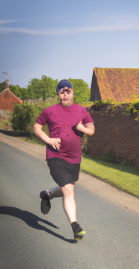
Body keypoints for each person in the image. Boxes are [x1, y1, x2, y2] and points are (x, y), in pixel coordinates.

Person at [33, 79, 95, 240]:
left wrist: (83, 129)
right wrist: (49, 140)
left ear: (73, 92)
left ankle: (47, 194)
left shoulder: (82, 111)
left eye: (68, 92)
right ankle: (75, 226)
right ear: (58, 94)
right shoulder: (50, 111)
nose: (66, 95)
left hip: (74, 158)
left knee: (67, 188)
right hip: (55, 155)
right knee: (69, 191)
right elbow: (36, 127)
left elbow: (92, 129)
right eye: (62, 92)